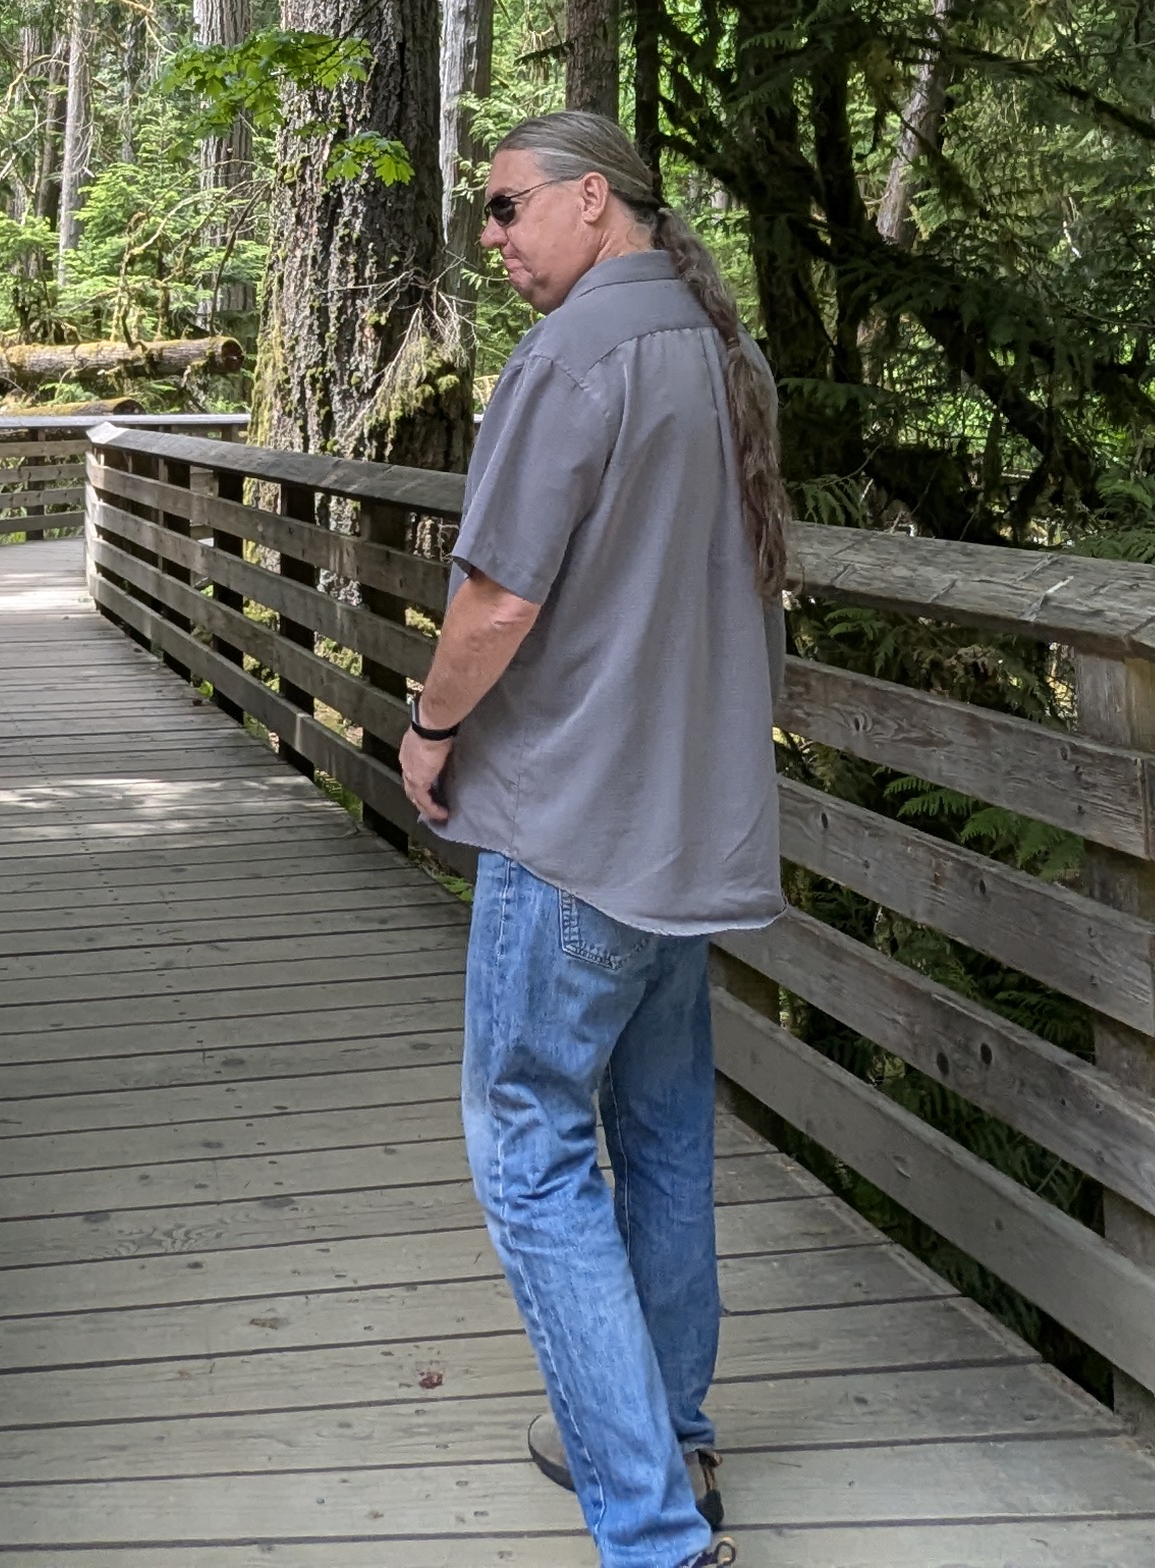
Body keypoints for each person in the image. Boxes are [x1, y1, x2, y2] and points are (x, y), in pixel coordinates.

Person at [402, 110, 787, 1568]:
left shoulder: (574, 360)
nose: (491, 241)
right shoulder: (721, 350)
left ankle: (649, 1524)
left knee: (531, 1151)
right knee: (663, 1133)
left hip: (573, 827)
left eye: (505, 210)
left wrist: (430, 733)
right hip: (688, 826)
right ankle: (668, 1431)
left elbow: (498, 600)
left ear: (592, 203)